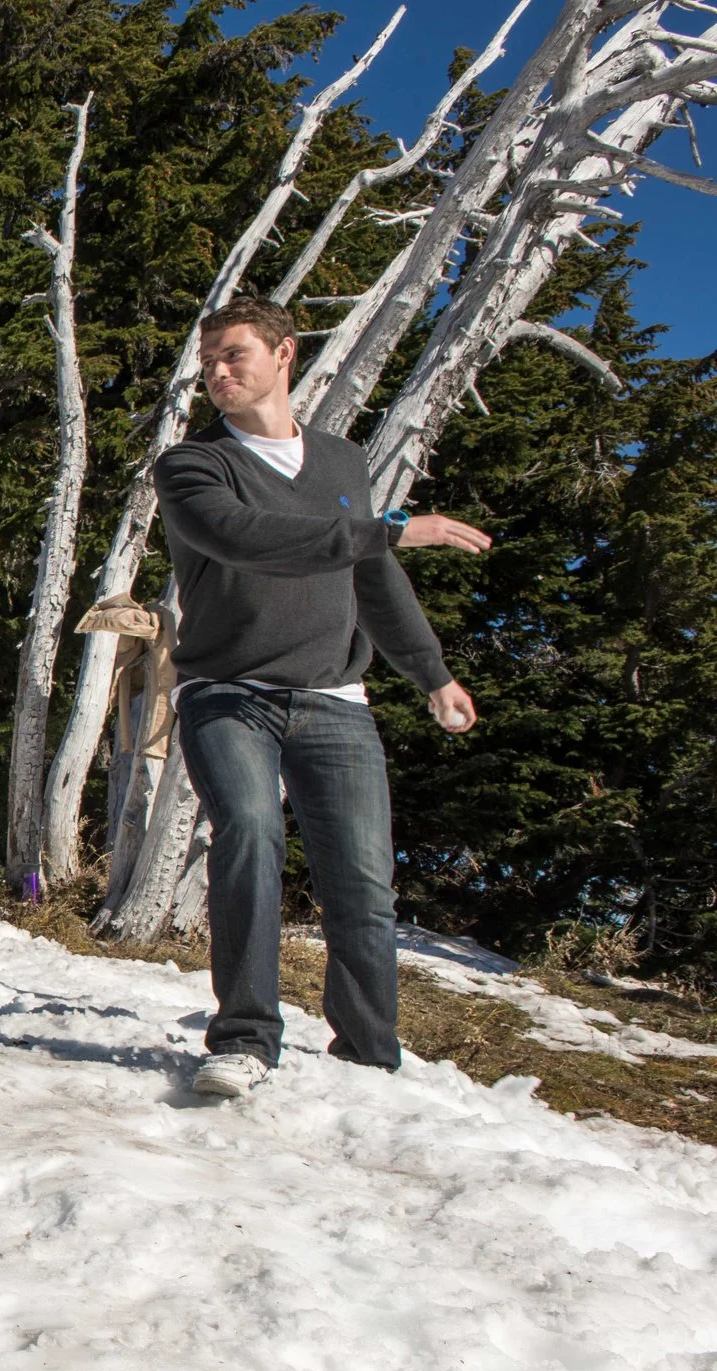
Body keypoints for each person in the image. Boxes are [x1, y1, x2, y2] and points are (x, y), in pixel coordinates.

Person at [155, 297, 489, 1099]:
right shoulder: (193, 465)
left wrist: (432, 674)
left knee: (362, 882)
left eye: (233, 356)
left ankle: (371, 1057)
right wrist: (395, 527)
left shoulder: (341, 464)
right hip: (227, 692)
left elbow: (371, 578)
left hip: (335, 698)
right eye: (208, 363)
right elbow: (249, 540)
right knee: (250, 832)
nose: (218, 373)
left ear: (284, 355)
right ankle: (243, 1039)